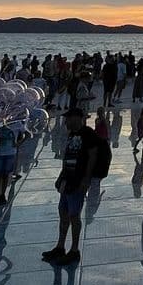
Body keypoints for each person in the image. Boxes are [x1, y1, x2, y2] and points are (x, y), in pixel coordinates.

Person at [43, 107, 101, 265]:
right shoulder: (72, 135)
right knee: (63, 212)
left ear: (77, 118)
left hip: (78, 181)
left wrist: (86, 180)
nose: (66, 121)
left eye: (68, 118)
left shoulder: (88, 135)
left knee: (74, 215)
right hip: (67, 180)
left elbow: (92, 157)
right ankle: (60, 246)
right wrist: (61, 176)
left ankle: (74, 250)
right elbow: (67, 156)